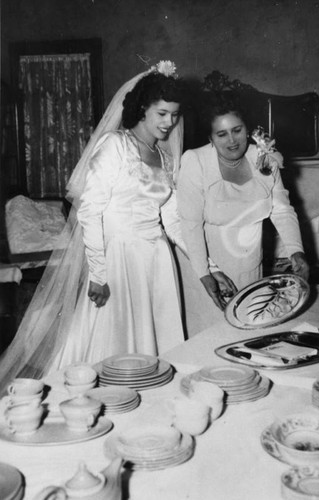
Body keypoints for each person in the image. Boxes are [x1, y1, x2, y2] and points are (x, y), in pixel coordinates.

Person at [0, 61, 186, 391]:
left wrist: (206, 265)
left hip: (157, 259)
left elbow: (172, 220)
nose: (169, 123)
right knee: (111, 346)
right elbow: (90, 211)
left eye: (174, 114)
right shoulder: (116, 145)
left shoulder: (166, 157)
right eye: (162, 113)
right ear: (143, 108)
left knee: (156, 346)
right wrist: (98, 274)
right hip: (118, 260)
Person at [177, 93, 309, 310]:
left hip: (250, 269)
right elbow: (189, 224)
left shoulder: (265, 157)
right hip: (208, 272)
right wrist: (204, 272)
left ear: (247, 129)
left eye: (237, 130)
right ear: (210, 138)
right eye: (221, 134)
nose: (232, 140)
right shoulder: (196, 161)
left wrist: (296, 249)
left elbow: (282, 210)